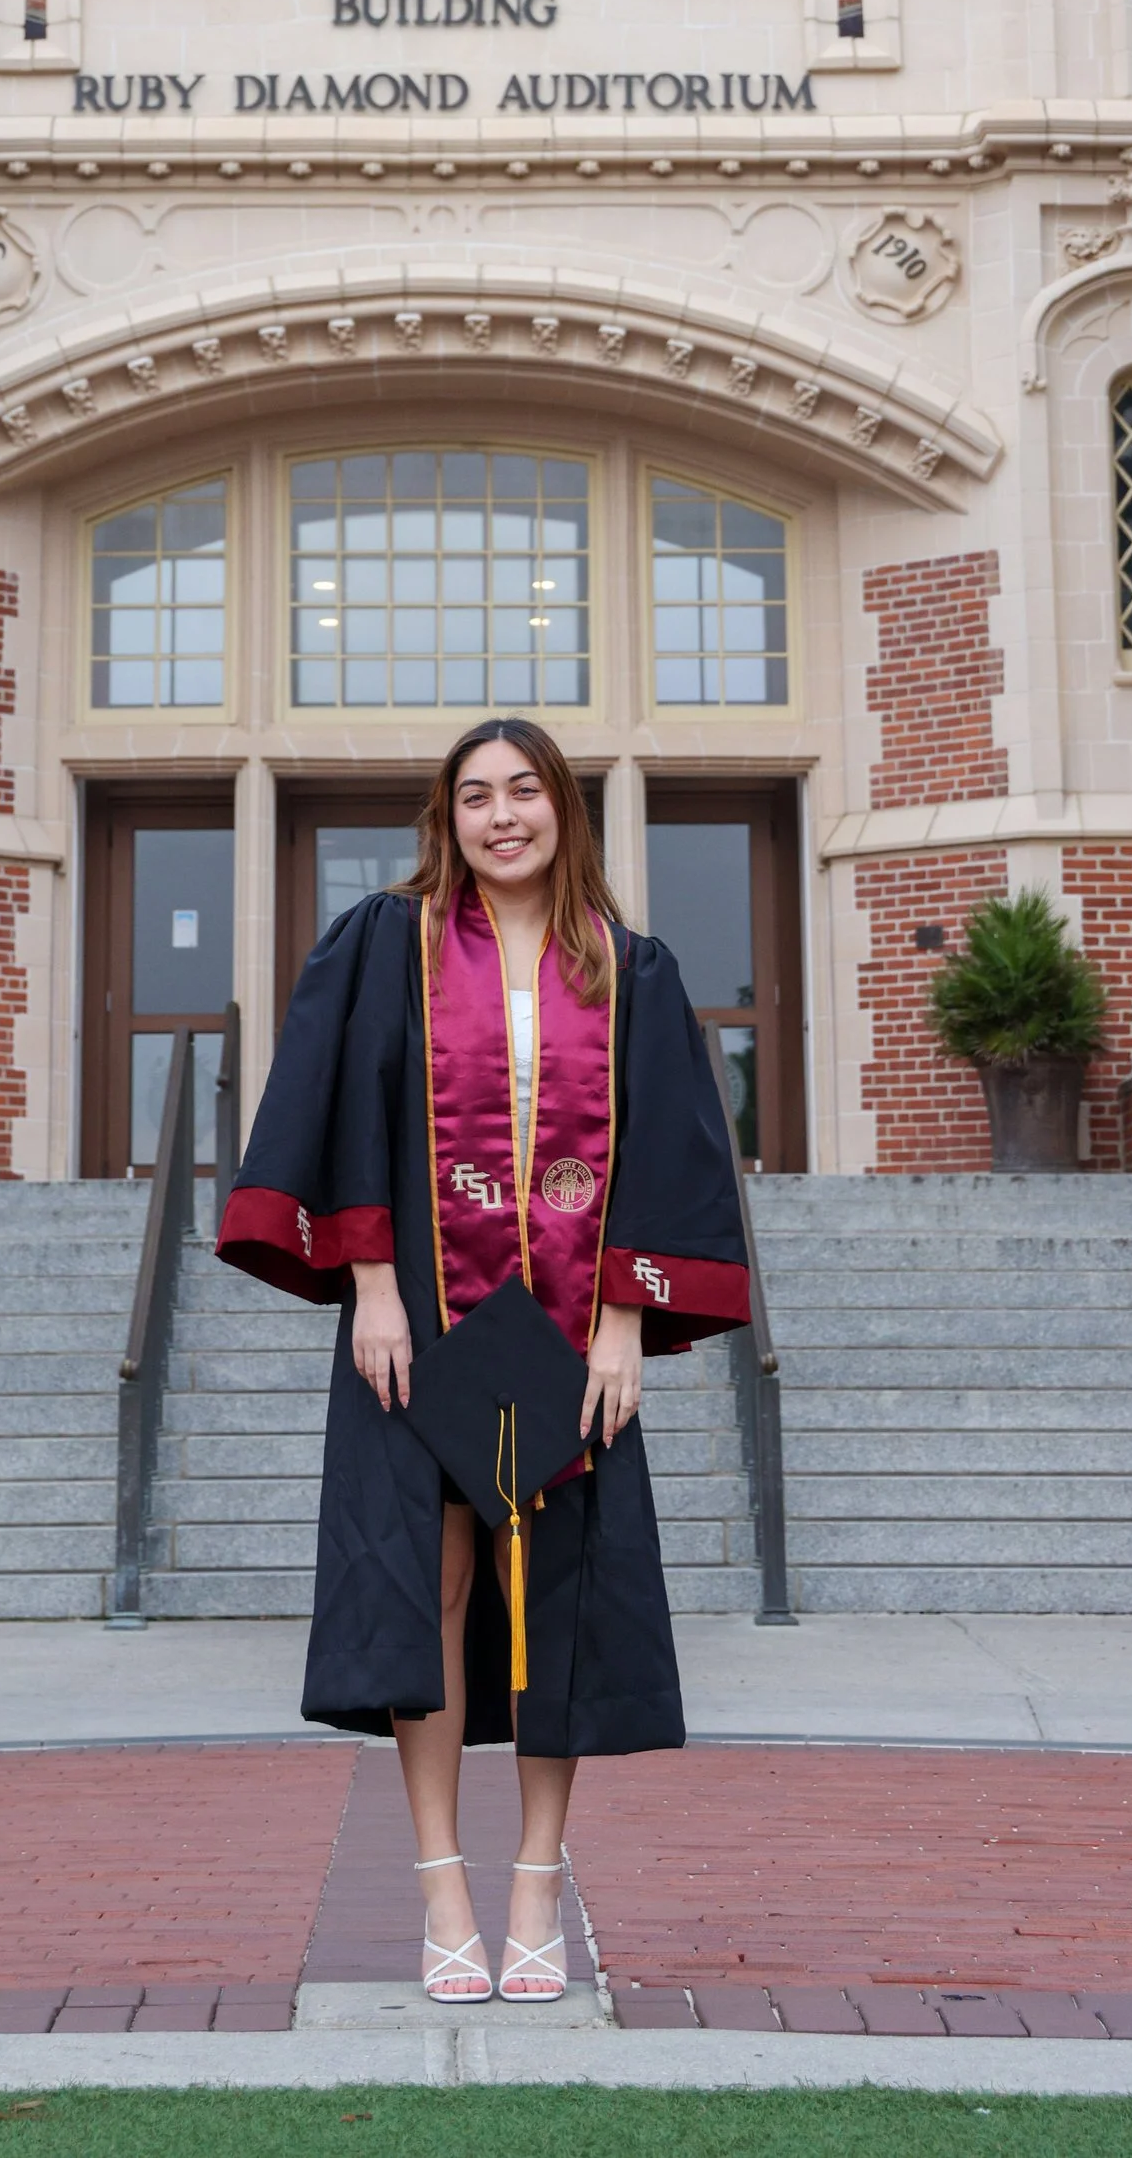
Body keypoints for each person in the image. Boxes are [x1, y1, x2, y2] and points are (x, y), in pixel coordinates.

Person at [217, 715, 750, 2006]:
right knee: (435, 1592)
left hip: (567, 1331)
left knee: (556, 1601)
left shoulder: (633, 969)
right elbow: (344, 1109)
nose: (500, 815)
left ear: (562, 805)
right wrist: (372, 1287)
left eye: (522, 791)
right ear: (445, 817)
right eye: (474, 796)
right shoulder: (385, 947)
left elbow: (669, 1152)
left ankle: (538, 1888)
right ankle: (444, 1884)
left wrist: (627, 1318)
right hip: (427, 1324)